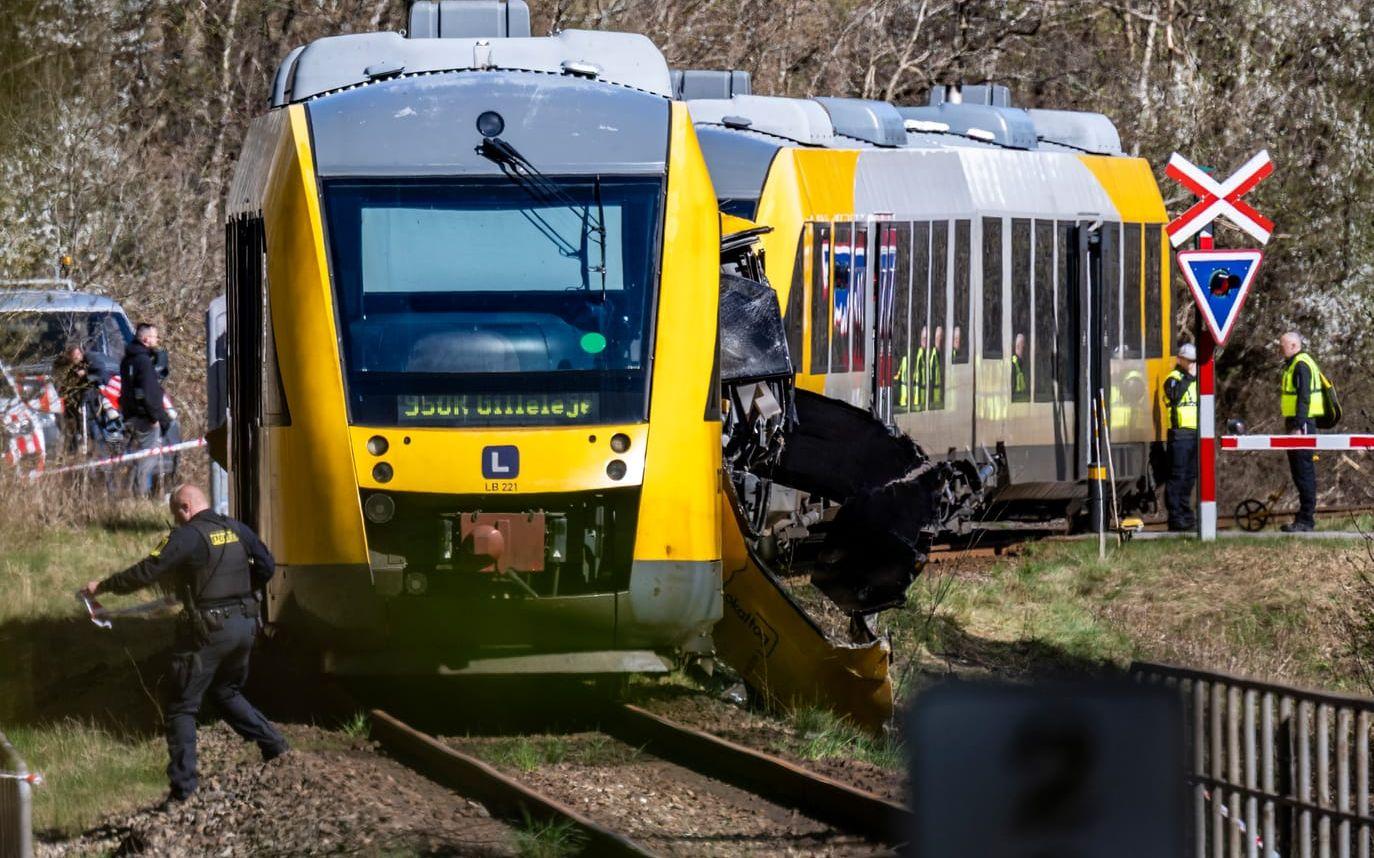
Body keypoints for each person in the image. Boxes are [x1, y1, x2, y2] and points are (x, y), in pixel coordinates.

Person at [80, 484, 288, 805]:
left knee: (180, 707)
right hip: (244, 626)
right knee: (225, 691)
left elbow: (146, 570)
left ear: (184, 508)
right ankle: (275, 745)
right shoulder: (236, 528)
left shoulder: (187, 535)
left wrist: (103, 586)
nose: (176, 522)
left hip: (208, 631)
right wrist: (242, 594)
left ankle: (183, 790)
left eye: (176, 515)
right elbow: (267, 566)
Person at [1278, 331, 1326, 532]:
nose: (1280, 350)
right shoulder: (1295, 363)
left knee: (1303, 471)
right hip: (1296, 422)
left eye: (1282, 346)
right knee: (1298, 471)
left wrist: (1298, 426)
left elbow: (1304, 397)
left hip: (1302, 423)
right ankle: (1304, 517)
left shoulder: (1301, 365)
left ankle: (1306, 519)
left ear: (1293, 345)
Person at [120, 323, 172, 494]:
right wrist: (155, 417)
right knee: (147, 459)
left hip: (130, 416)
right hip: (145, 419)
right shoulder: (143, 361)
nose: (157, 340)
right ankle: (140, 496)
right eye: (155, 336)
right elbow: (149, 393)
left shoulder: (127, 360)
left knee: (134, 459)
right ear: (146, 339)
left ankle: (130, 494)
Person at [1162, 343, 1199, 531]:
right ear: (1181, 360)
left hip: (1195, 434)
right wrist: (1189, 377)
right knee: (1178, 476)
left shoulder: (1197, 379)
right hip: (1180, 434)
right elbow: (1174, 395)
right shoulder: (1173, 379)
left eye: (1195, 361)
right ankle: (1176, 517)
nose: (1193, 364)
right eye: (1190, 361)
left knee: (1190, 477)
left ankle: (1187, 514)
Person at [52, 344, 98, 455]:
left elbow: (93, 378)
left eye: (79, 354)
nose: (78, 357)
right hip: (70, 405)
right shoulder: (62, 367)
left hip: (85, 403)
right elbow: (62, 385)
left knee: (87, 429)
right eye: (75, 355)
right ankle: (73, 454)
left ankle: (90, 451)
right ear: (69, 356)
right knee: (71, 431)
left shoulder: (86, 363)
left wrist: (86, 374)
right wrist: (77, 376)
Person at [928, 325, 945, 410]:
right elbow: (930, 378)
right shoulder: (932, 355)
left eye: (941, 336)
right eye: (937, 337)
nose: (939, 339)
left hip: (942, 398)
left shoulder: (944, 354)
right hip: (934, 399)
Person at [1011, 332, 1029, 403]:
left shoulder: (1022, 360)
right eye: (1023, 346)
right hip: (1017, 396)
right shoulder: (1014, 361)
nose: (1024, 348)